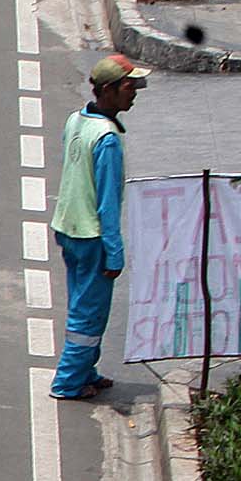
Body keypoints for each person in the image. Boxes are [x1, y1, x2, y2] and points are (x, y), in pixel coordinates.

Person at [51, 55, 145, 400]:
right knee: (88, 315)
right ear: (108, 90)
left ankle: (85, 370)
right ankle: (68, 382)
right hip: (92, 237)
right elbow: (107, 202)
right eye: (129, 86)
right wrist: (114, 253)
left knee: (82, 303)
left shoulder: (77, 119)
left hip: (67, 227)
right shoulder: (107, 139)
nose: (134, 93)